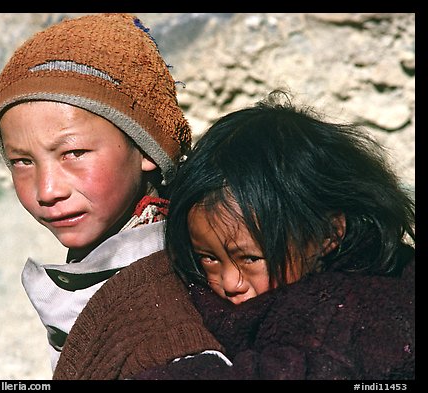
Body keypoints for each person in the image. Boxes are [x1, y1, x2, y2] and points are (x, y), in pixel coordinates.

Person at [0, 13, 220, 375]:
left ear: (145, 149)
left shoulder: (168, 314)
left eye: (74, 153)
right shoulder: (111, 272)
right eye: (21, 162)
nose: (47, 190)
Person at [132, 90, 415, 380]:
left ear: (328, 234)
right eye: (208, 258)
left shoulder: (353, 316)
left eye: (251, 258)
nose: (230, 283)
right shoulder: (194, 290)